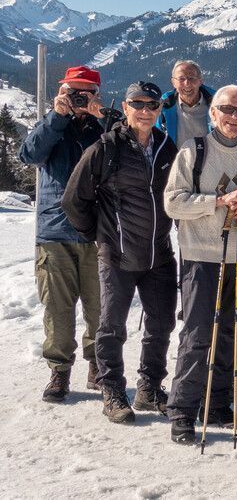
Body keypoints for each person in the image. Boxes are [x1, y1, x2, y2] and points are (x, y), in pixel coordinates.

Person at [63, 82, 179, 424]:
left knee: (161, 323)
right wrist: (99, 236)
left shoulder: (165, 146)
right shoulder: (106, 147)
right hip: (117, 254)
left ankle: (150, 388)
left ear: (159, 110)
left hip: (158, 253)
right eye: (137, 103)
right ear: (125, 108)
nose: (145, 110)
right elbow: (74, 199)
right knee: (111, 326)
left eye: (152, 104)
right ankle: (112, 389)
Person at [163, 85, 237, 444]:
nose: (236, 118)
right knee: (197, 333)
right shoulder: (194, 151)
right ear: (213, 113)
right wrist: (218, 201)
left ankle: (218, 402)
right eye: (228, 109)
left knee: (229, 331)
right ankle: (182, 410)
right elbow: (173, 203)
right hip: (202, 257)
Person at [19, 65, 118, 402]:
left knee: (99, 308)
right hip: (54, 231)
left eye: (85, 92)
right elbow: (29, 154)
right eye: (72, 90)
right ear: (61, 91)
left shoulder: (103, 127)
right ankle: (58, 372)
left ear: (96, 94)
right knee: (57, 309)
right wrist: (57, 116)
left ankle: (96, 366)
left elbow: (129, 148)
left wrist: (102, 115)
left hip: (96, 231)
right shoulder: (51, 125)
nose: (78, 97)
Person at [156, 60, 214, 145]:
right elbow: (155, 138)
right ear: (173, 82)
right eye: (181, 79)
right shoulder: (163, 107)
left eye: (191, 78)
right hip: (175, 157)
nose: (187, 83)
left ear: (200, 81)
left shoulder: (218, 104)